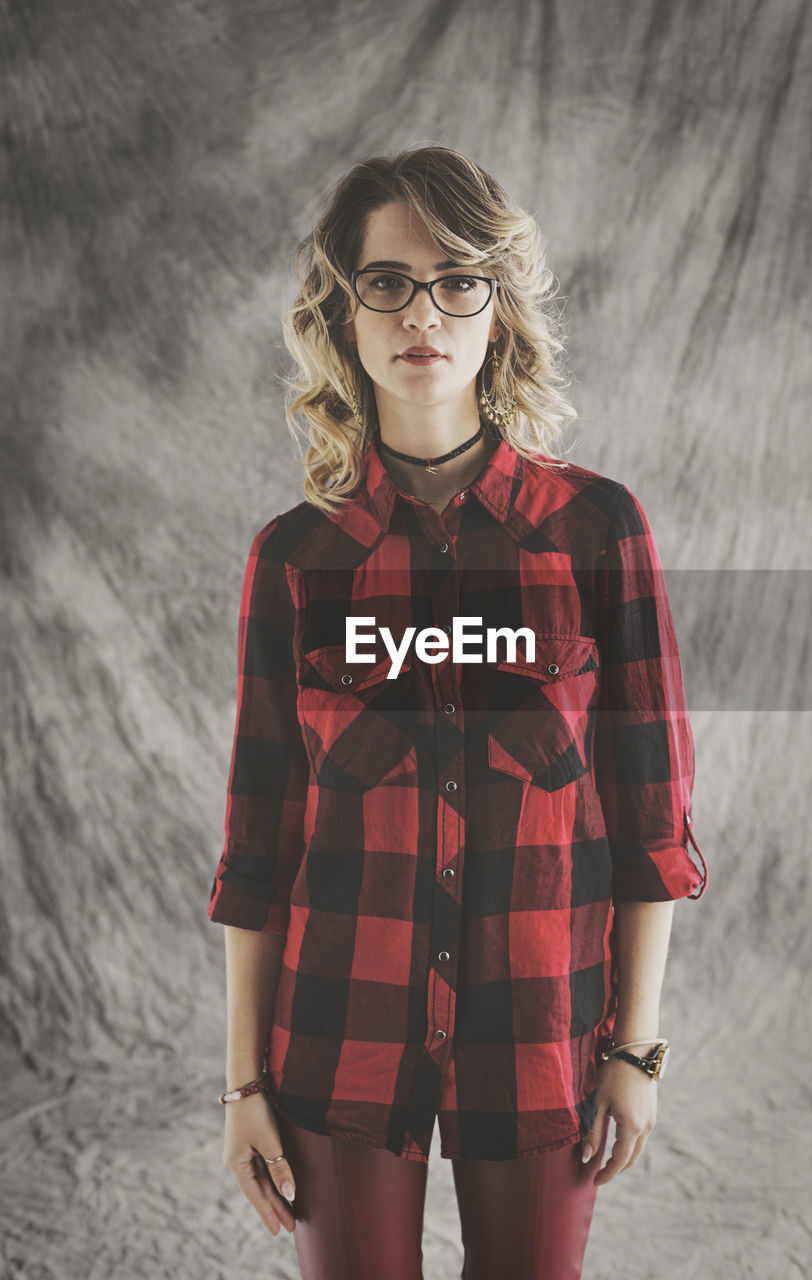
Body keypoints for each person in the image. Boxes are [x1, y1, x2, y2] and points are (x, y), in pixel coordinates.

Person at [207, 145, 708, 1280]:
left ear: (498, 308)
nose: (421, 311)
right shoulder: (294, 561)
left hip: (542, 1039)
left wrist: (633, 1045)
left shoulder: (596, 533)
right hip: (336, 1031)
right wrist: (242, 1080)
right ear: (344, 312)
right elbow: (256, 845)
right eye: (386, 280)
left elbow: (651, 825)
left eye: (455, 280)